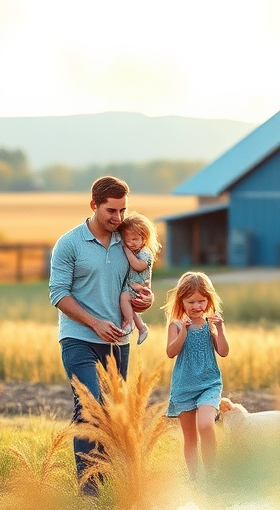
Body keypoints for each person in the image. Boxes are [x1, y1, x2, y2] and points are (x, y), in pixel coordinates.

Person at [48, 175, 154, 496]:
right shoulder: (69, 244)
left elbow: (136, 290)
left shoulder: (129, 243)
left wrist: (145, 302)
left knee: (110, 414)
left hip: (118, 342)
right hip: (79, 338)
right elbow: (58, 294)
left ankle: (104, 479)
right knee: (89, 406)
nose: (118, 218)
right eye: (111, 211)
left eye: (122, 211)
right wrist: (94, 322)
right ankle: (89, 489)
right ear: (94, 205)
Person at [164, 271, 230, 480]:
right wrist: (183, 331)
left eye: (201, 301)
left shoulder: (211, 324)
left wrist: (220, 328)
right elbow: (171, 352)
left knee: (206, 425)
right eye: (191, 302)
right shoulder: (175, 325)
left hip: (209, 384)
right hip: (184, 387)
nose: (197, 306)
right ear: (181, 302)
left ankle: (211, 474)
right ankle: (195, 480)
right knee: (190, 439)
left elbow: (224, 351)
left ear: (209, 300)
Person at [117, 212, 161, 345]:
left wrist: (127, 252)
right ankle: (141, 327)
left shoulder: (145, 252)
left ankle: (129, 324)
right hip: (133, 285)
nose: (130, 243)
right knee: (127, 306)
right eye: (127, 240)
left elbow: (139, 266)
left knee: (124, 298)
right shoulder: (136, 250)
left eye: (134, 239)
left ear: (144, 237)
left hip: (139, 286)